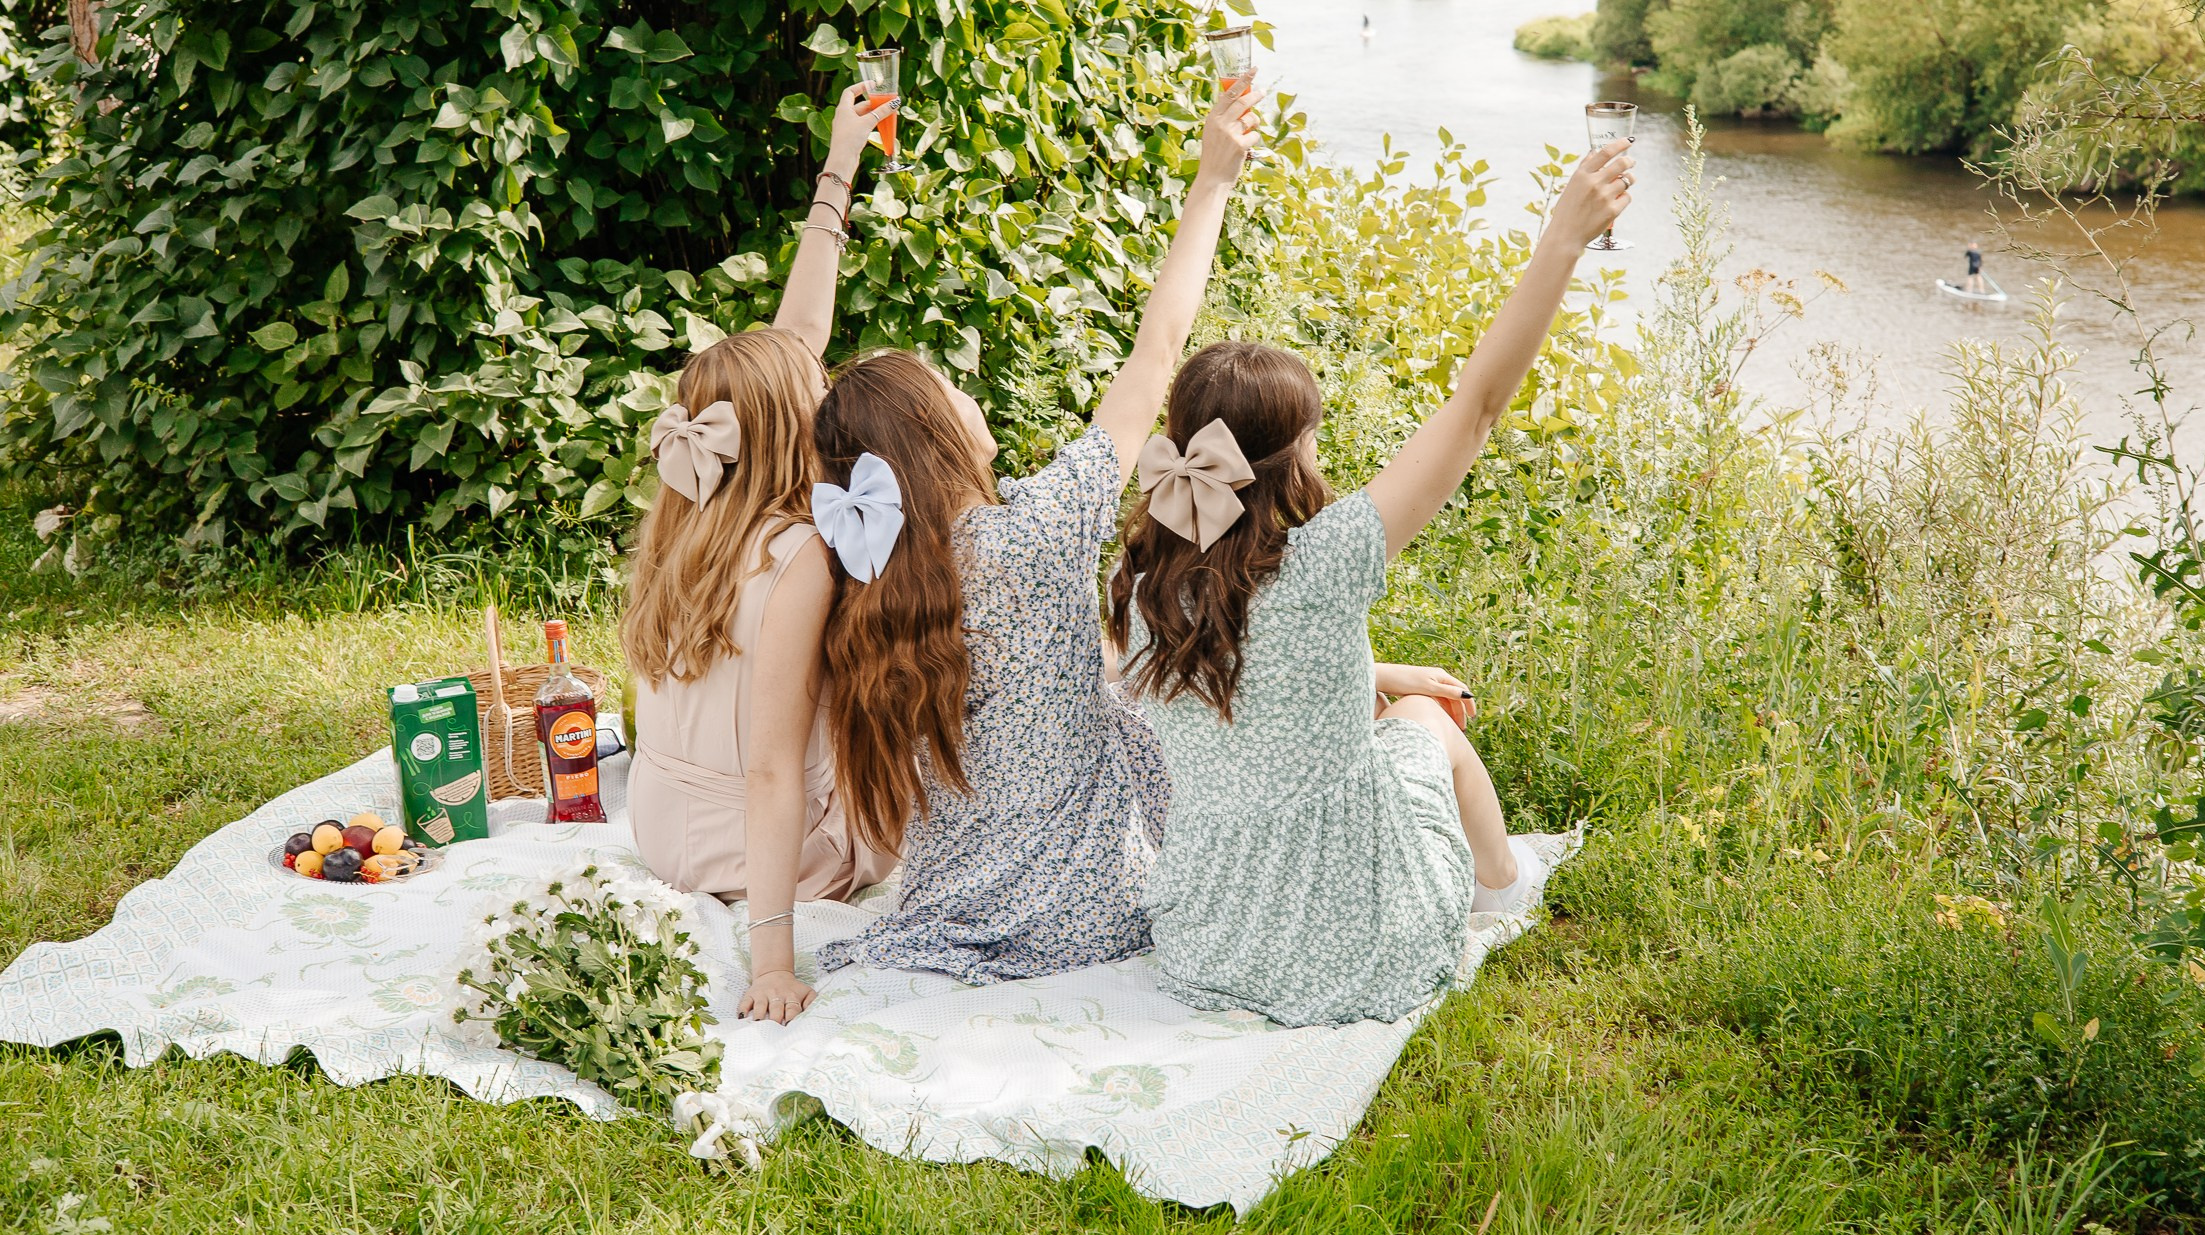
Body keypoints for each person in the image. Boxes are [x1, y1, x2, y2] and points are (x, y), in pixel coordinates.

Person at [1106, 140, 1636, 1028]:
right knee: (1427, 725)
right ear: (1290, 456)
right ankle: (1501, 890)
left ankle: (1489, 871)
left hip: (1210, 944)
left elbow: (1252, 670)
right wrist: (1563, 241)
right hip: (1343, 952)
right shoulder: (1327, 559)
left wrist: (1380, 676)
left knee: (1403, 704)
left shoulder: (1144, 582)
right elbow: (1477, 408)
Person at [804, 77, 1263, 986]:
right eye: (949, 387)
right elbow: (1159, 349)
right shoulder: (1038, 531)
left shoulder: (866, 564)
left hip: (949, 904)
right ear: (937, 434)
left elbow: (793, 389)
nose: (968, 394)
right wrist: (1212, 181)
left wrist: (836, 173)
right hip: (1091, 909)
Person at [620, 82, 897, 1026]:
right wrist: (769, 963)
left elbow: (794, 342)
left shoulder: (683, 504)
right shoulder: (800, 557)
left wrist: (838, 170)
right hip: (756, 853)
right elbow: (776, 771)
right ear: (797, 428)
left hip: (661, 827)